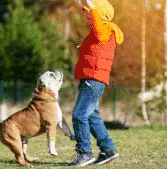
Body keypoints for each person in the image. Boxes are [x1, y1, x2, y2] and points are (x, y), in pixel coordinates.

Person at [68, 0, 124, 167]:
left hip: (94, 78)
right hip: (92, 78)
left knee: (79, 115)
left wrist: (91, 6)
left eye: (88, 13)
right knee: (92, 116)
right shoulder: (100, 33)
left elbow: (98, 30)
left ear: (98, 15)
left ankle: (85, 153)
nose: (85, 15)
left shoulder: (105, 29)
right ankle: (108, 149)